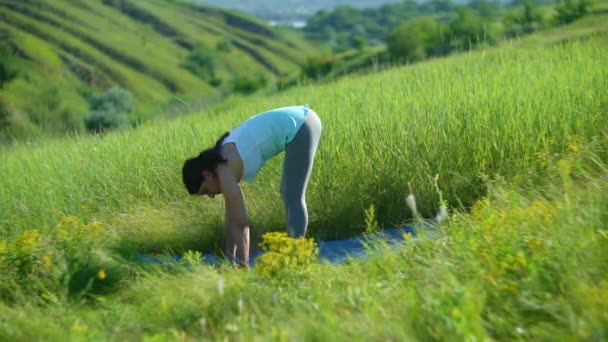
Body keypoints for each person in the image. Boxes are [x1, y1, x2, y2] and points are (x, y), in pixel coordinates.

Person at [182, 104, 322, 267]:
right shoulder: (221, 161)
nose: (211, 195)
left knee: (292, 195)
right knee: (288, 193)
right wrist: (230, 260)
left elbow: (242, 225)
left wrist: (242, 267)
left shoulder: (224, 170)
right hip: (300, 120)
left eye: (206, 190)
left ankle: (294, 260)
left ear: (206, 174)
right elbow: (231, 219)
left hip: (301, 125)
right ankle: (293, 257)